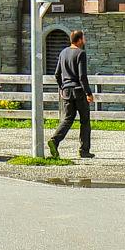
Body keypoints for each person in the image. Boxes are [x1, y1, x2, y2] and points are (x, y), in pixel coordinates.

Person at [49, 31, 95, 159]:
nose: (84, 40)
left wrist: (62, 87)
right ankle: (84, 150)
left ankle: (54, 140)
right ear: (79, 40)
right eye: (83, 38)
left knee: (68, 119)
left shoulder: (63, 53)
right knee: (84, 120)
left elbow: (57, 74)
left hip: (67, 91)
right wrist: (88, 93)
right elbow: (82, 76)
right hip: (79, 91)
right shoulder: (81, 53)